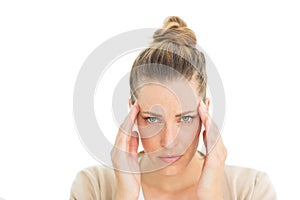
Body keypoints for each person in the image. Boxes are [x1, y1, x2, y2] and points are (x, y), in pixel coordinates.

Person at [70, 16, 277, 200]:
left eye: (186, 119)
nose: (168, 142)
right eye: (152, 119)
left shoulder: (251, 190)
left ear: (205, 112)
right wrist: (125, 196)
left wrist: (212, 195)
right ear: (133, 114)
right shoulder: (93, 187)